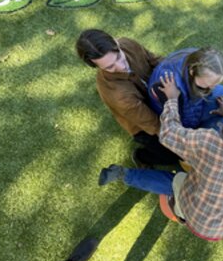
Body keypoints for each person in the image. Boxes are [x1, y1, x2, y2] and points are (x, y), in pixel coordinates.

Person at [99, 73, 223, 241]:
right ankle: (124, 175)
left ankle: (125, 174)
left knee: (175, 181)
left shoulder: (208, 143)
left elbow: (168, 134)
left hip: (195, 217)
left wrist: (171, 99)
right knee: (188, 181)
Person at [76, 29, 178, 166]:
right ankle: (141, 157)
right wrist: (180, 142)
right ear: (96, 66)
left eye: (118, 56)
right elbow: (154, 125)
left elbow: (153, 60)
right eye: (110, 67)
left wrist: (175, 74)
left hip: (153, 96)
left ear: (116, 43)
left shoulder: (127, 44)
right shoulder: (118, 95)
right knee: (171, 157)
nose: (121, 66)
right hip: (142, 123)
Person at [148, 47, 223, 131]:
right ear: (192, 71)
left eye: (216, 83)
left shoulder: (200, 59)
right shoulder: (169, 87)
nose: (213, 87)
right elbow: (180, 120)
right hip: (179, 114)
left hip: (190, 100)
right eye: (208, 84)